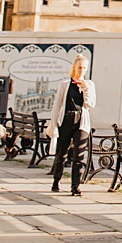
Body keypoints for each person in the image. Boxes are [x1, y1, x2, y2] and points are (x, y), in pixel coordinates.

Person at [48, 55, 96, 195]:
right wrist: (54, 124)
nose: (82, 70)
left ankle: (75, 186)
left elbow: (90, 104)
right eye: (80, 67)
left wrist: (85, 89)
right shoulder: (65, 84)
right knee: (61, 153)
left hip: (81, 121)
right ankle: (56, 181)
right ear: (74, 67)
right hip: (66, 120)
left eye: (84, 68)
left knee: (78, 155)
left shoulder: (89, 84)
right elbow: (57, 105)